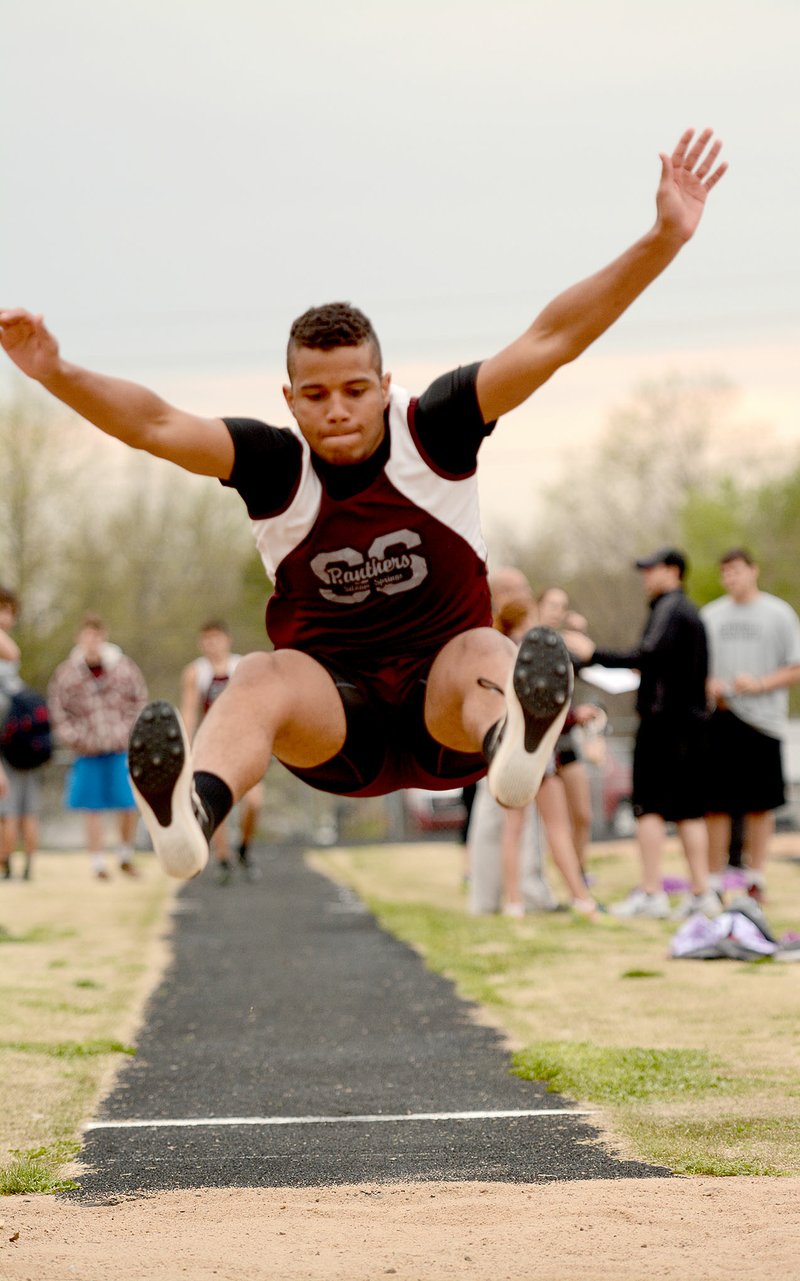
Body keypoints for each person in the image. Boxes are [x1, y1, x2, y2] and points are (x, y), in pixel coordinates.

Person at [0, 129, 727, 880]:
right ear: (290, 399)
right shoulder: (273, 466)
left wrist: (663, 239)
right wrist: (53, 372)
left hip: (447, 709)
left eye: (355, 390)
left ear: (385, 385)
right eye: (315, 396)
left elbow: (554, 337)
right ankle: (192, 815)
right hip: (337, 719)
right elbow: (155, 425)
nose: (338, 410)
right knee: (258, 674)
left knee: (487, 649)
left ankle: (511, 744)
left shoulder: (438, 427)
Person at [566, 548, 719, 919]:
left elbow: (647, 654)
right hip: (690, 724)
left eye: (651, 570)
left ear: (674, 572)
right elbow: (663, 664)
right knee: (688, 811)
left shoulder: (670, 608)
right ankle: (702, 893)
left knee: (648, 808)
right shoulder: (687, 612)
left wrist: (593, 653)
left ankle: (652, 892)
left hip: (664, 725)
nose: (645, 577)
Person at [702, 549, 800, 905]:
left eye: (737, 571)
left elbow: (795, 667)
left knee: (761, 804)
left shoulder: (779, 614)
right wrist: (708, 681)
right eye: (725, 572)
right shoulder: (710, 616)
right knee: (716, 805)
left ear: (753, 571)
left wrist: (758, 683)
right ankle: (714, 882)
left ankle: (755, 880)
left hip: (763, 721)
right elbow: (695, 666)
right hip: (722, 718)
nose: (731, 578)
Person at [48, 614, 148, 879]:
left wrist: (127, 732)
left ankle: (125, 855)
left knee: (128, 803)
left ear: (103, 637)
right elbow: (58, 710)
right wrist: (75, 737)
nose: (91, 642)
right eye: (86, 636)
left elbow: (139, 700)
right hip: (88, 752)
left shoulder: (124, 667)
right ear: (79, 639)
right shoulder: (67, 673)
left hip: (119, 749)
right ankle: (98, 863)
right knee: (92, 807)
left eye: (96, 636)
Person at [181, 620, 264, 884]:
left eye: (216, 639)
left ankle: (244, 848)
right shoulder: (197, 672)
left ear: (227, 640)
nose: (211, 645)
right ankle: (224, 858)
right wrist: (186, 749)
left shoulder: (243, 667)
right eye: (206, 640)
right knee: (218, 805)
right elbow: (189, 712)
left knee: (254, 802)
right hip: (213, 746)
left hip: (245, 744)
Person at [0, 587, 42, 880]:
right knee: (11, 807)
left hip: (15, 741)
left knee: (18, 807)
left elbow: (12, 652)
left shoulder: (8, 649)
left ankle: (19, 863)